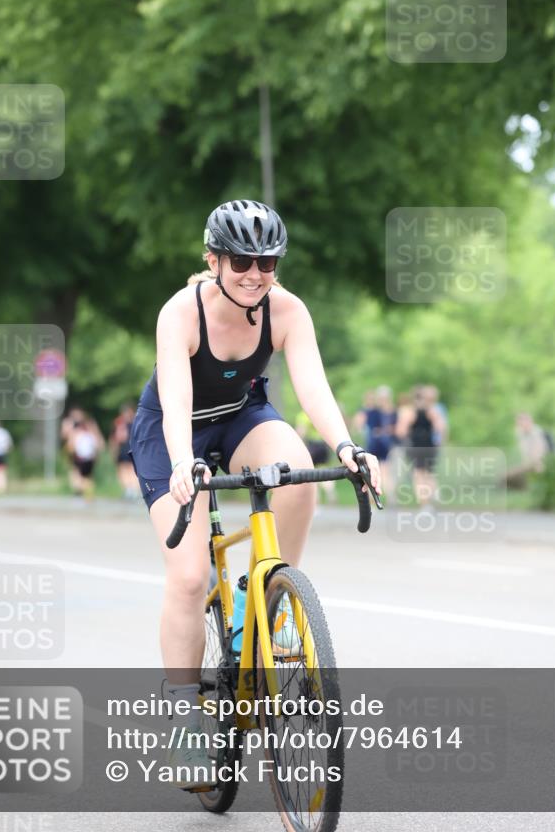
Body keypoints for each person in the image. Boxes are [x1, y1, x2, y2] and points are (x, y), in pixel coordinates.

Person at [129, 199, 381, 786]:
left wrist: (346, 448)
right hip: (173, 426)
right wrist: (185, 462)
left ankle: (260, 600)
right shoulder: (181, 312)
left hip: (243, 415)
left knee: (296, 475)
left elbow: (312, 384)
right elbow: (174, 397)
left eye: (266, 261)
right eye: (241, 259)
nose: (254, 272)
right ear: (213, 259)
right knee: (190, 578)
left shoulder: (288, 309)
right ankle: (185, 719)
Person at [396, 385, 446, 507]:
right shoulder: (432, 411)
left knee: (418, 474)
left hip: (416, 446)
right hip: (430, 445)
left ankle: (424, 502)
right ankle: (434, 496)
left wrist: (410, 434)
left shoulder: (410, 412)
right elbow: (440, 427)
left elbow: (400, 431)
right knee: (429, 473)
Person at [294, 410, 336, 504]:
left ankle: (316, 498)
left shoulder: (303, 415)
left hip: (313, 446)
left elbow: (301, 432)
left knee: (312, 471)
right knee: (324, 469)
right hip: (323, 445)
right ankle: (330, 492)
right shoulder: (319, 413)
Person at [505, 412, 551, 488]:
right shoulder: (520, 432)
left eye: (521, 423)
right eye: (518, 423)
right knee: (509, 475)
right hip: (529, 462)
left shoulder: (537, 432)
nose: (520, 425)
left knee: (509, 475)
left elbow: (540, 450)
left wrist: (535, 462)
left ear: (529, 422)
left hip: (539, 461)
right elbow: (523, 449)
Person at [66, 416, 104, 499]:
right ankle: (87, 492)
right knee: (87, 477)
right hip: (89, 458)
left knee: (79, 475)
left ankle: (80, 491)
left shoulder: (78, 433)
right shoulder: (92, 434)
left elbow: (71, 446)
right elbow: (99, 446)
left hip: (80, 458)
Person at [110, 402, 139, 501]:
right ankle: (131, 490)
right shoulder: (137, 422)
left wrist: (113, 451)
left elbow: (115, 439)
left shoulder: (120, 423)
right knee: (127, 470)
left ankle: (130, 490)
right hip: (129, 449)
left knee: (127, 470)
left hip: (126, 449)